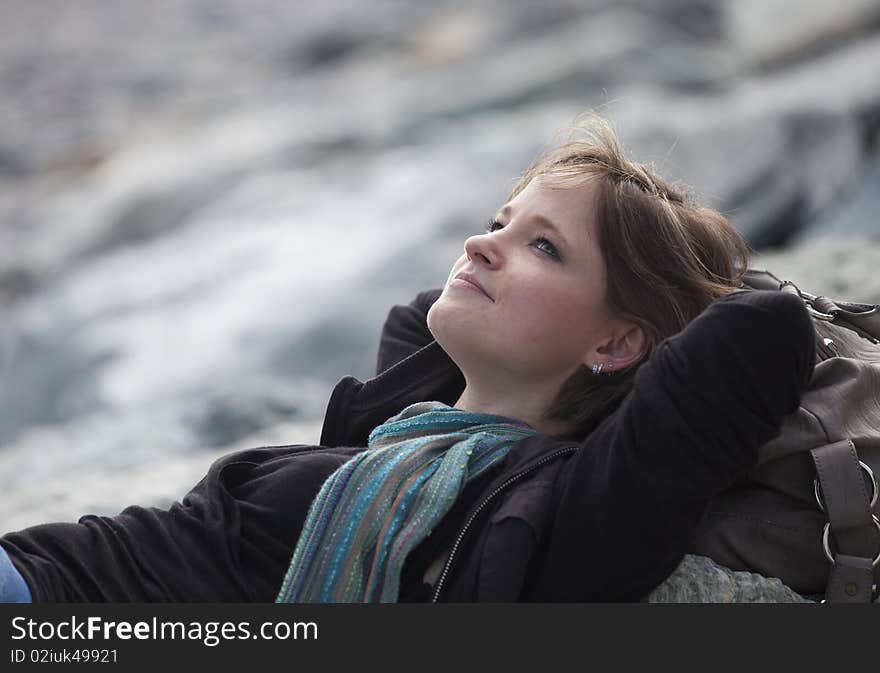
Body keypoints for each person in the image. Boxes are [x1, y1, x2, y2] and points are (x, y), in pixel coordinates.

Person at [0, 112, 816, 602]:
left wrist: (674, 266)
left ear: (616, 342)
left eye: (543, 246)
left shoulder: (557, 514)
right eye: (499, 220)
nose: (481, 244)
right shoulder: (402, 427)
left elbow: (760, 329)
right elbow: (422, 316)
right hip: (51, 574)